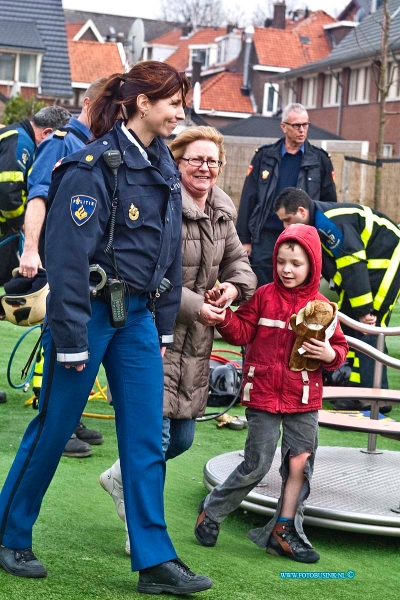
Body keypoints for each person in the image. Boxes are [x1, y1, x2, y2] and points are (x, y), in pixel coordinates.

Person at [0, 61, 213, 595]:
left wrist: (162, 326)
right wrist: (70, 339)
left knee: (146, 438)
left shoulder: (164, 164)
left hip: (139, 320)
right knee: (53, 428)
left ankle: (154, 560)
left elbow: (166, 254)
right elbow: (67, 261)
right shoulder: (90, 167)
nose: (180, 112)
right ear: (143, 102)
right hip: (88, 318)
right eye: (173, 101)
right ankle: (10, 533)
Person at [99, 126, 257, 554]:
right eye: (196, 159)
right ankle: (141, 528)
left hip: (195, 345)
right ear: (178, 161)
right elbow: (146, 274)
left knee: (182, 439)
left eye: (213, 161)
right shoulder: (163, 203)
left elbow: (240, 265)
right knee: (157, 438)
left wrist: (231, 289)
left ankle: (118, 477)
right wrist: (193, 305)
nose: (205, 167)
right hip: (153, 333)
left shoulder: (222, 210)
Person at [194, 224, 348, 563]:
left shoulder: (324, 308)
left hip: (304, 398)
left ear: (313, 266)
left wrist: (329, 356)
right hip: (263, 393)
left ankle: (284, 528)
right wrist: (223, 318)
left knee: (299, 464)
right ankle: (213, 510)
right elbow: (242, 332)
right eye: (281, 261)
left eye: (296, 263)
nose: (287, 269)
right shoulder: (264, 296)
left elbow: (339, 350)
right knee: (257, 463)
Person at [18, 80, 107, 458]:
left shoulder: (96, 146)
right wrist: (31, 250)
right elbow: (38, 195)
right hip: (56, 260)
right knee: (55, 339)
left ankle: (69, 419)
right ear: (88, 104)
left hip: (82, 265)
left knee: (80, 340)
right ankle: (51, 418)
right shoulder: (62, 141)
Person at [274, 187, 400, 400]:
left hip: (388, 262)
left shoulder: (329, 223)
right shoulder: (316, 224)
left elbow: (352, 264)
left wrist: (363, 310)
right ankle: (355, 391)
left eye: (288, 220)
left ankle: (376, 399)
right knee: (351, 327)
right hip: (369, 267)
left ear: (302, 212)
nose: (285, 227)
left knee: (370, 326)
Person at [236, 102, 337, 287]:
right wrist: (244, 239)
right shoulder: (264, 156)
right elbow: (248, 198)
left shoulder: (320, 160)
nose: (302, 130)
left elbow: (329, 204)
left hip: (302, 234)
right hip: (265, 235)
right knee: (262, 289)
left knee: (297, 288)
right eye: (296, 125)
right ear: (283, 127)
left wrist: (325, 241)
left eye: (305, 125)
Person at [0, 106, 71, 285]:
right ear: (47, 133)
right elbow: (9, 189)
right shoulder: (21, 142)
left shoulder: (17, 135)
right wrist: (20, 223)